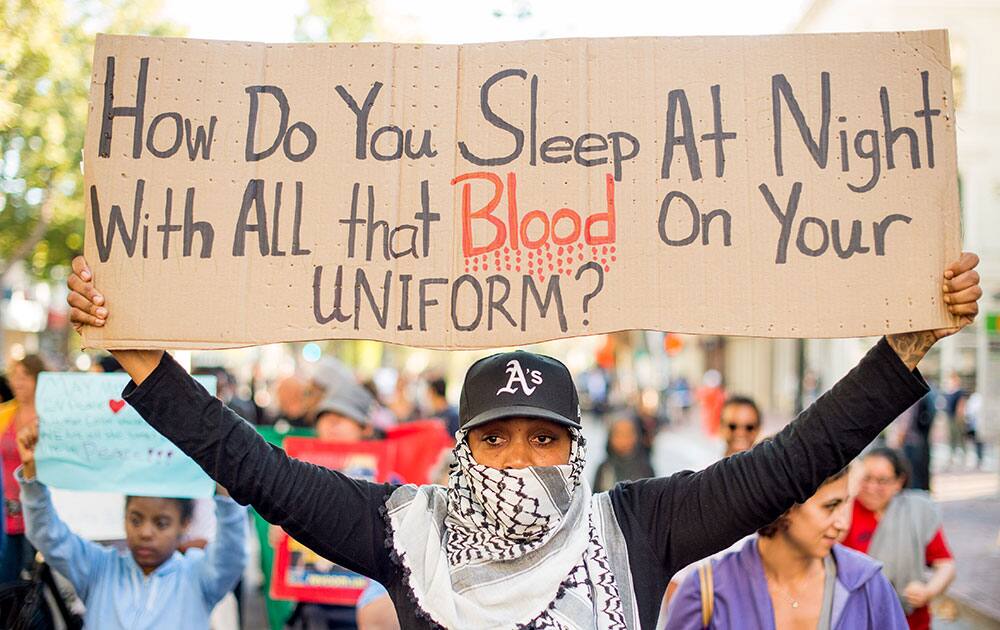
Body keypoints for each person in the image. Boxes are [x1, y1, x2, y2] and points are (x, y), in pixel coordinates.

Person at [65, 253, 981, 629]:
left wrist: (901, 355)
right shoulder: (402, 529)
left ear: (574, 449)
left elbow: (793, 458)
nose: (520, 462)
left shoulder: (638, 527)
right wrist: (148, 366)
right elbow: (253, 466)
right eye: (494, 440)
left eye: (543, 440)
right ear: (465, 451)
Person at [15, 422, 247, 629]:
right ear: (123, 516)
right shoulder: (99, 569)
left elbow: (232, 552)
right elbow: (48, 535)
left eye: (161, 523)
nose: (145, 533)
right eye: (135, 520)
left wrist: (223, 480)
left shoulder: (198, 576)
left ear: (184, 524)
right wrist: (33, 477)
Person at [665, 468, 906, 629]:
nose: (842, 523)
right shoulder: (707, 590)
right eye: (830, 506)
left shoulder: (867, 584)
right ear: (782, 505)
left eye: (845, 503)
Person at [842, 448, 955, 630]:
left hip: (910, 621)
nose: (871, 488)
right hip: (857, 619)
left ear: (899, 482)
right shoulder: (842, 510)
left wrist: (928, 591)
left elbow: (946, 564)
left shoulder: (916, 512)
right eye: (866, 478)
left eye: (882, 481)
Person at [0, 354, 45, 582]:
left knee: (33, 576)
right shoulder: (4, 414)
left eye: (24, 376)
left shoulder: (49, 415)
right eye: (14, 377)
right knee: (7, 574)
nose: (17, 382)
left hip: (36, 505)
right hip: (7, 508)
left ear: (37, 378)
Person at [593, 416, 655, 492]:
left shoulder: (645, 469)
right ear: (610, 438)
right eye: (618, 434)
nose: (623, 440)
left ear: (636, 437)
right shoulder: (604, 468)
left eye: (627, 434)